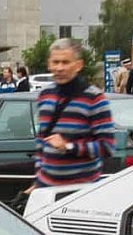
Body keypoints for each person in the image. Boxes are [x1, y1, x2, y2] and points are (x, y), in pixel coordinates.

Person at [32, 39, 115, 192]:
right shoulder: (44, 95)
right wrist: (38, 179)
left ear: (78, 65)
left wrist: (69, 147)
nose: (59, 68)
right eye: (55, 62)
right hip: (46, 189)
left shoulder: (94, 98)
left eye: (65, 62)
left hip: (80, 191)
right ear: (49, 64)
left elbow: (107, 147)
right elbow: (41, 142)